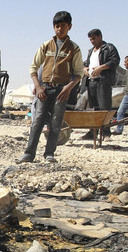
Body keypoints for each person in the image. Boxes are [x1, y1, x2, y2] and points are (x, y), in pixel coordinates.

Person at [16, 11, 83, 164]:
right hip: (44, 89)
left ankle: (49, 154)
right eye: (57, 26)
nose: (59, 29)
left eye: (63, 26)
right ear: (53, 27)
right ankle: (29, 154)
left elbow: (79, 73)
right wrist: (38, 87)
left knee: (55, 122)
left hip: (62, 91)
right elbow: (34, 67)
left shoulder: (74, 49)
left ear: (70, 27)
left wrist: (68, 88)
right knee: (37, 120)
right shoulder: (46, 46)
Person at [82, 28, 120, 139]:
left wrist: (101, 68)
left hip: (103, 82)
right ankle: (92, 132)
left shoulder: (109, 48)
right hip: (91, 82)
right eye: (90, 39)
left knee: (104, 108)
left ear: (100, 36)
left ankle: (106, 132)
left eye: (94, 38)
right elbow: (85, 63)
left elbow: (115, 61)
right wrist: (85, 69)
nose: (92, 41)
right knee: (93, 109)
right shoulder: (90, 51)